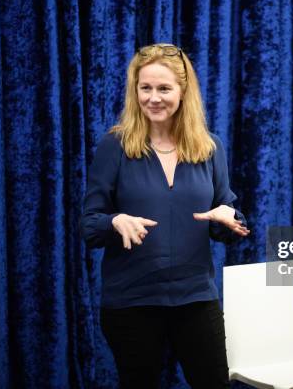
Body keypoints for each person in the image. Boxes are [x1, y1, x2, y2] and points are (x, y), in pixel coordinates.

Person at [80, 43, 249, 389]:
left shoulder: (210, 148)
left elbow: (231, 220)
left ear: (183, 92)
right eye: (146, 88)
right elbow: (89, 224)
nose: (153, 98)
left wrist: (229, 220)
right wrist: (113, 221)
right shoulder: (114, 147)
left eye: (164, 88)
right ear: (135, 90)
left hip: (196, 299)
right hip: (132, 302)